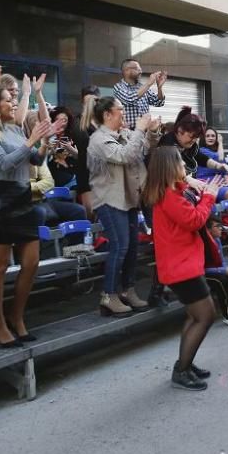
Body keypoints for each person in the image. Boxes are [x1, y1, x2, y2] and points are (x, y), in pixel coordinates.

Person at [0, 83, 52, 347]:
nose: (13, 103)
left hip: (23, 197)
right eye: (8, 100)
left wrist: (43, 143)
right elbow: (4, 164)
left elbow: (36, 161)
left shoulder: (15, 129)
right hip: (2, 199)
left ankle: (16, 317)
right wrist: (31, 141)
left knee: (31, 263)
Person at [145, 147, 226, 391]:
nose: (184, 166)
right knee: (206, 315)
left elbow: (188, 205)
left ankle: (185, 364)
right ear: (170, 167)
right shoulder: (168, 196)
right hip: (181, 268)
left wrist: (196, 186)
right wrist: (210, 197)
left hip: (183, 265)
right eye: (180, 163)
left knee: (195, 315)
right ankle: (181, 370)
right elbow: (194, 220)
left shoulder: (170, 191)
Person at [88, 96, 158, 316]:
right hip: (109, 200)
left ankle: (128, 290)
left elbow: (144, 148)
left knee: (132, 247)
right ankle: (108, 295)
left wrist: (151, 131)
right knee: (119, 247)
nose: (124, 113)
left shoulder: (123, 133)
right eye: (120, 109)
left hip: (129, 198)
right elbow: (125, 156)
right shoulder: (98, 139)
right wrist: (139, 130)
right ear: (107, 115)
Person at [112, 58, 167, 130]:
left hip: (145, 131)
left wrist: (160, 87)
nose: (141, 71)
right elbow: (129, 98)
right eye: (137, 69)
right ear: (127, 71)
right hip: (128, 132)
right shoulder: (118, 87)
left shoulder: (142, 87)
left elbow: (159, 102)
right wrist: (149, 83)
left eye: (140, 69)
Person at [73, 86, 100, 218]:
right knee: (90, 212)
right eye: (86, 102)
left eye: (94, 101)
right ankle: (91, 238)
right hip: (86, 171)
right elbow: (84, 143)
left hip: (104, 172)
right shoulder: (78, 121)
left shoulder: (104, 122)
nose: (90, 105)